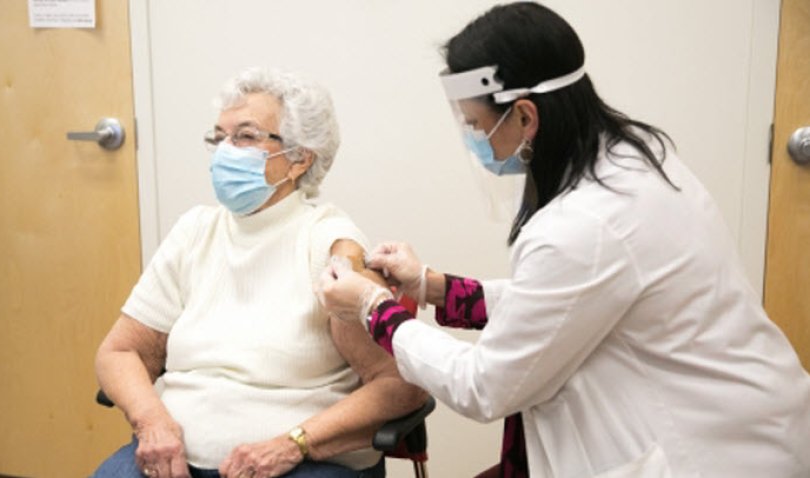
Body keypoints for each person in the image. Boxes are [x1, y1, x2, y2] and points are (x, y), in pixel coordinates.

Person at [318, 3, 810, 477]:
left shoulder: (586, 224)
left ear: (525, 117)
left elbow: (485, 386)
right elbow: (570, 300)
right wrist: (434, 286)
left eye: (476, 125)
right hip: (740, 410)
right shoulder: (630, 158)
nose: (473, 138)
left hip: (707, 452)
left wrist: (374, 308)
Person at [93, 68, 426, 478]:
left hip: (295, 462)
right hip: (172, 455)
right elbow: (121, 351)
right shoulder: (196, 230)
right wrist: (151, 422)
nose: (225, 152)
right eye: (219, 138)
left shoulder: (329, 242)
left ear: (300, 157)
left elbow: (398, 383)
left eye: (245, 137)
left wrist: (293, 444)